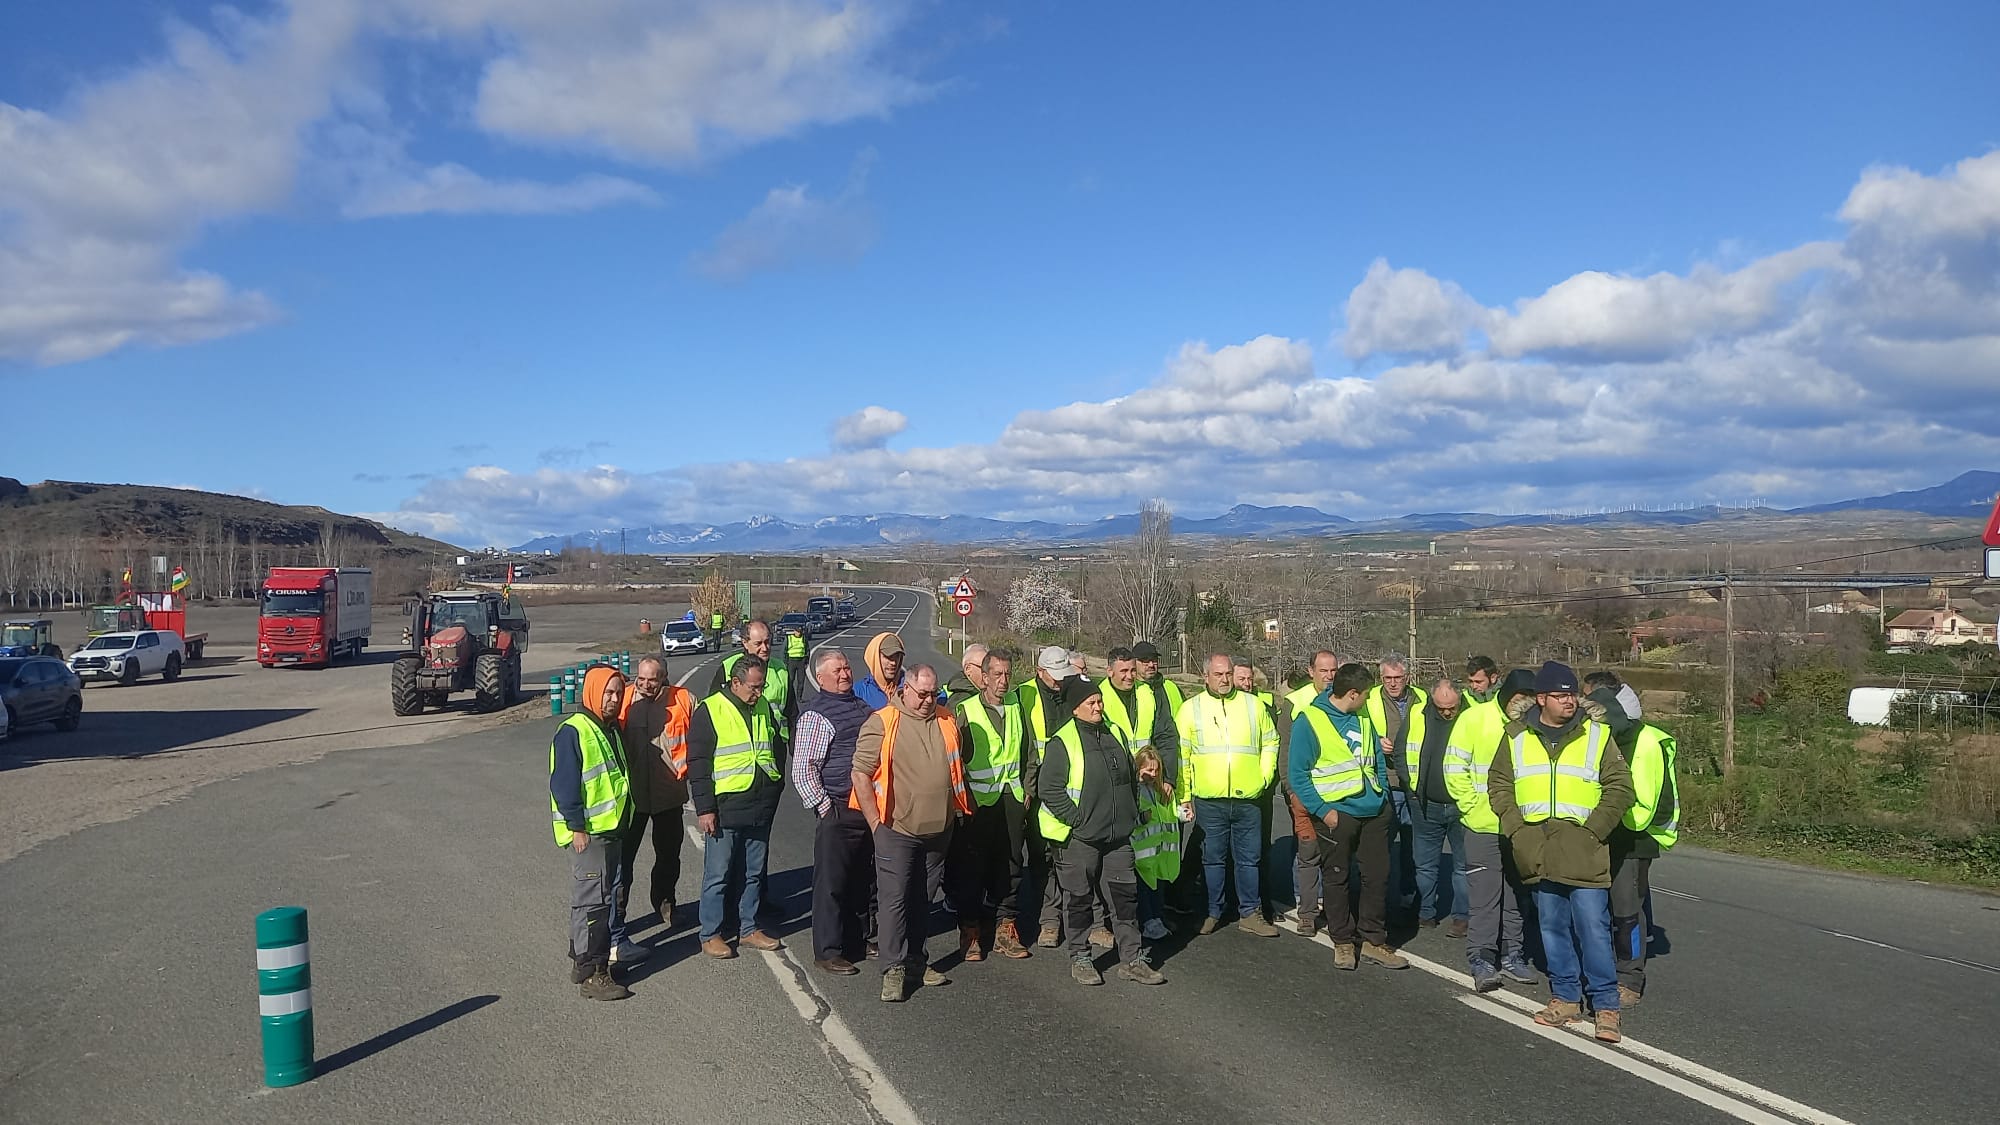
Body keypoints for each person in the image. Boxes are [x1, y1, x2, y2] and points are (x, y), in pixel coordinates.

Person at [1488, 661, 1635, 1044]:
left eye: (1572, 693)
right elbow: (1499, 783)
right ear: (1542, 699)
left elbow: (1620, 788)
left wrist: (1594, 831)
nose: (1569, 700)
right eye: (1561, 695)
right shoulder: (1516, 736)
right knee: (1552, 928)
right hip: (1537, 849)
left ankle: (1605, 1006)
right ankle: (1566, 997)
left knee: (1593, 929)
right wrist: (1517, 829)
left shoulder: (1598, 736)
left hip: (1584, 850)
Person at [1039, 677, 1166, 986]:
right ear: (1076, 708)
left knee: (1125, 899)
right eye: (1091, 703)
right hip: (1080, 839)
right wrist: (1077, 820)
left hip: (1118, 837)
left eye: (1099, 701)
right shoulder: (1063, 741)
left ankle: (1132, 960)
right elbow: (1049, 789)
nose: (1098, 707)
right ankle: (1081, 957)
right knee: (1079, 900)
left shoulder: (1115, 733)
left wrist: (1133, 814)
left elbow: (1129, 779)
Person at [854, 664, 970, 1002]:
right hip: (896, 829)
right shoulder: (883, 721)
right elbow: (860, 774)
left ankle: (917, 960)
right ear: (905, 689)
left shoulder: (948, 720)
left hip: (939, 830)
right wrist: (876, 823)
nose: (928, 700)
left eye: (934, 694)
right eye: (922, 694)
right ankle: (893, 969)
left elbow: (955, 765)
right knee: (894, 901)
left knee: (923, 900)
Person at [1290, 662, 1406, 970]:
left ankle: (1372, 940)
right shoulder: (1309, 721)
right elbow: (1298, 775)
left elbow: (1376, 756)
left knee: (1376, 877)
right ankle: (1342, 941)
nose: (1369, 700)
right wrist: (1324, 811)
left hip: (1374, 811)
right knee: (1337, 876)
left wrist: (1381, 793)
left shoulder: (1362, 715)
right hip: (1337, 814)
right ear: (1352, 694)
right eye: (1366, 695)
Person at [1445, 666, 1540, 992]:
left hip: (1521, 826)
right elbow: (1454, 766)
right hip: (1482, 824)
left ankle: (1514, 954)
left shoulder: (1534, 723)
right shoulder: (1475, 719)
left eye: (1530, 698)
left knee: (1517, 895)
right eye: (1519, 697)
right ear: (1506, 693)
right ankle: (1482, 958)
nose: (1523, 704)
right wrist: (1471, 805)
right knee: (1485, 897)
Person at [1585, 675, 1678, 1007]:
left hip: (1634, 838)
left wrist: (1598, 818)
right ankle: (1603, 965)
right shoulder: (1598, 736)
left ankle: (1630, 978)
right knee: (1599, 908)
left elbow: (1643, 807)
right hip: (1602, 833)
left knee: (1627, 911)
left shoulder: (1646, 743)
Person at [1176, 653, 1281, 938]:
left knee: (1250, 859)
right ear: (1206, 676)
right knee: (1213, 859)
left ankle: (1251, 912)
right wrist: (1185, 794)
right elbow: (1182, 756)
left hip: (1248, 798)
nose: (1224, 680)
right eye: (1218, 674)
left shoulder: (1253, 705)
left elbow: (1271, 741)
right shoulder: (1190, 709)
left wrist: (1263, 777)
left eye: (1228, 674)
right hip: (1210, 800)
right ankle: (1212, 911)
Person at [688, 655, 785, 960]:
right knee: (718, 874)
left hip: (759, 805)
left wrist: (775, 786)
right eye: (754, 687)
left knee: (753, 873)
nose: (759, 693)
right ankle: (711, 933)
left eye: (762, 686)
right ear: (735, 682)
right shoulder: (710, 710)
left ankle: (748, 928)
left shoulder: (762, 708)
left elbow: (775, 748)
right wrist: (705, 809)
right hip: (726, 807)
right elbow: (698, 765)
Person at [550, 664, 634, 1000]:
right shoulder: (575, 730)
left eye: (618, 692)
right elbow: (564, 784)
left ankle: (584, 964)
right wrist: (577, 827)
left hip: (609, 830)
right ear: (592, 692)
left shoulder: (607, 728)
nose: (613, 699)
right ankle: (594, 973)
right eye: (608, 692)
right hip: (590, 834)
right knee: (593, 905)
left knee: (598, 900)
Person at [793, 648, 876, 976]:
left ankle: (856, 941)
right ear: (821, 677)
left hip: (865, 807)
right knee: (831, 883)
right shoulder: (816, 715)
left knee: (862, 880)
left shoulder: (860, 707)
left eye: (846, 668)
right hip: (837, 808)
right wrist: (826, 808)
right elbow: (803, 767)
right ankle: (827, 950)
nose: (845, 674)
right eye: (837, 670)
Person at [953, 648, 1034, 960]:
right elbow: (955, 760)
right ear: (983, 677)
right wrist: (963, 798)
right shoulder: (967, 709)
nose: (1004, 681)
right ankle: (970, 930)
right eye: (997, 674)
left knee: (1011, 866)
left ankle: (1006, 927)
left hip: (1011, 799)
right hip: (978, 802)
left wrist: (1027, 789)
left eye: (1007, 674)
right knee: (972, 868)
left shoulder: (1016, 706)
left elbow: (1030, 751)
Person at [1100, 647, 1181, 941]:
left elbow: (1165, 736)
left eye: (1132, 671)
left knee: (1149, 852)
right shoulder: (1100, 697)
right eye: (1122, 671)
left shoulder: (1148, 694)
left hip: (1148, 782)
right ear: (1109, 671)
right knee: (1117, 856)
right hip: (1117, 786)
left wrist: (1167, 776)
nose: (1128, 676)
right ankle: (1121, 919)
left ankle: (1151, 915)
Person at [618, 656, 693, 948]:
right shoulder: (624, 699)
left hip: (669, 794)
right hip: (632, 796)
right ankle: (618, 913)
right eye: (642, 678)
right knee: (624, 859)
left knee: (668, 855)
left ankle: (665, 902)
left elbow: (699, 740)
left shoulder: (684, 700)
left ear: (664, 678)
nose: (646, 685)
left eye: (653, 679)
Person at [1015, 645, 1076, 947]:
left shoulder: (1071, 692)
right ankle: (1044, 919)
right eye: (1054, 676)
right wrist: (1025, 786)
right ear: (1040, 672)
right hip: (1033, 788)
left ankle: (1056, 919)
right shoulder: (1023, 696)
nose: (1059, 681)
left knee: (1061, 855)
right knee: (1038, 857)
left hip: (1065, 787)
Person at [1278, 650, 1342, 935]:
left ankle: (1333, 907)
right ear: (1311, 671)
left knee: (1337, 856)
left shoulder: (1343, 699)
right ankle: (1306, 913)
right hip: (1305, 791)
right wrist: (1290, 788)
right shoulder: (1296, 702)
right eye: (1323, 671)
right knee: (1308, 854)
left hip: (1336, 792)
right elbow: (1286, 750)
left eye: (1333, 671)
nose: (1329, 676)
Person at [1402, 679, 1468, 937]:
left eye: (1452, 707)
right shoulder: (1417, 717)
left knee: (1463, 865)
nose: (1448, 713)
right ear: (1432, 702)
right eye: (1442, 708)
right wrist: (1411, 789)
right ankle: (1426, 913)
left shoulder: (1470, 718)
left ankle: (1462, 917)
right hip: (1425, 804)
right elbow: (1401, 751)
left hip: (1462, 805)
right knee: (1425, 864)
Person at [1368, 654, 1427, 916]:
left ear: (1407, 677)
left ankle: (1409, 894)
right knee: (1381, 844)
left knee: (1413, 846)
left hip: (1415, 782)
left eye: (1397, 678)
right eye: (1387, 678)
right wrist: (1375, 741)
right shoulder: (1369, 699)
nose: (1392, 683)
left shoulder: (1423, 698)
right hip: (1385, 781)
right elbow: (1356, 729)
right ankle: (1377, 897)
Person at [710, 620, 800, 750]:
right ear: (745, 643)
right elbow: (713, 710)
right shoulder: (727, 668)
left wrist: (795, 750)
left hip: (774, 747)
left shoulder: (781, 670)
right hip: (737, 747)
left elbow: (792, 714)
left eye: (767, 642)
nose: (765, 648)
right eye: (758, 643)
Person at [854, 631, 907, 709]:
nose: (893, 662)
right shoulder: (858, 691)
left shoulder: (910, 687)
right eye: (888, 656)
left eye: (897, 656)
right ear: (875, 657)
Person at [1133, 641, 1184, 715]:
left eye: (1154, 660)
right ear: (1134, 662)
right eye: (1145, 660)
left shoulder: (1171, 687)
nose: (1151, 665)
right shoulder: (1131, 690)